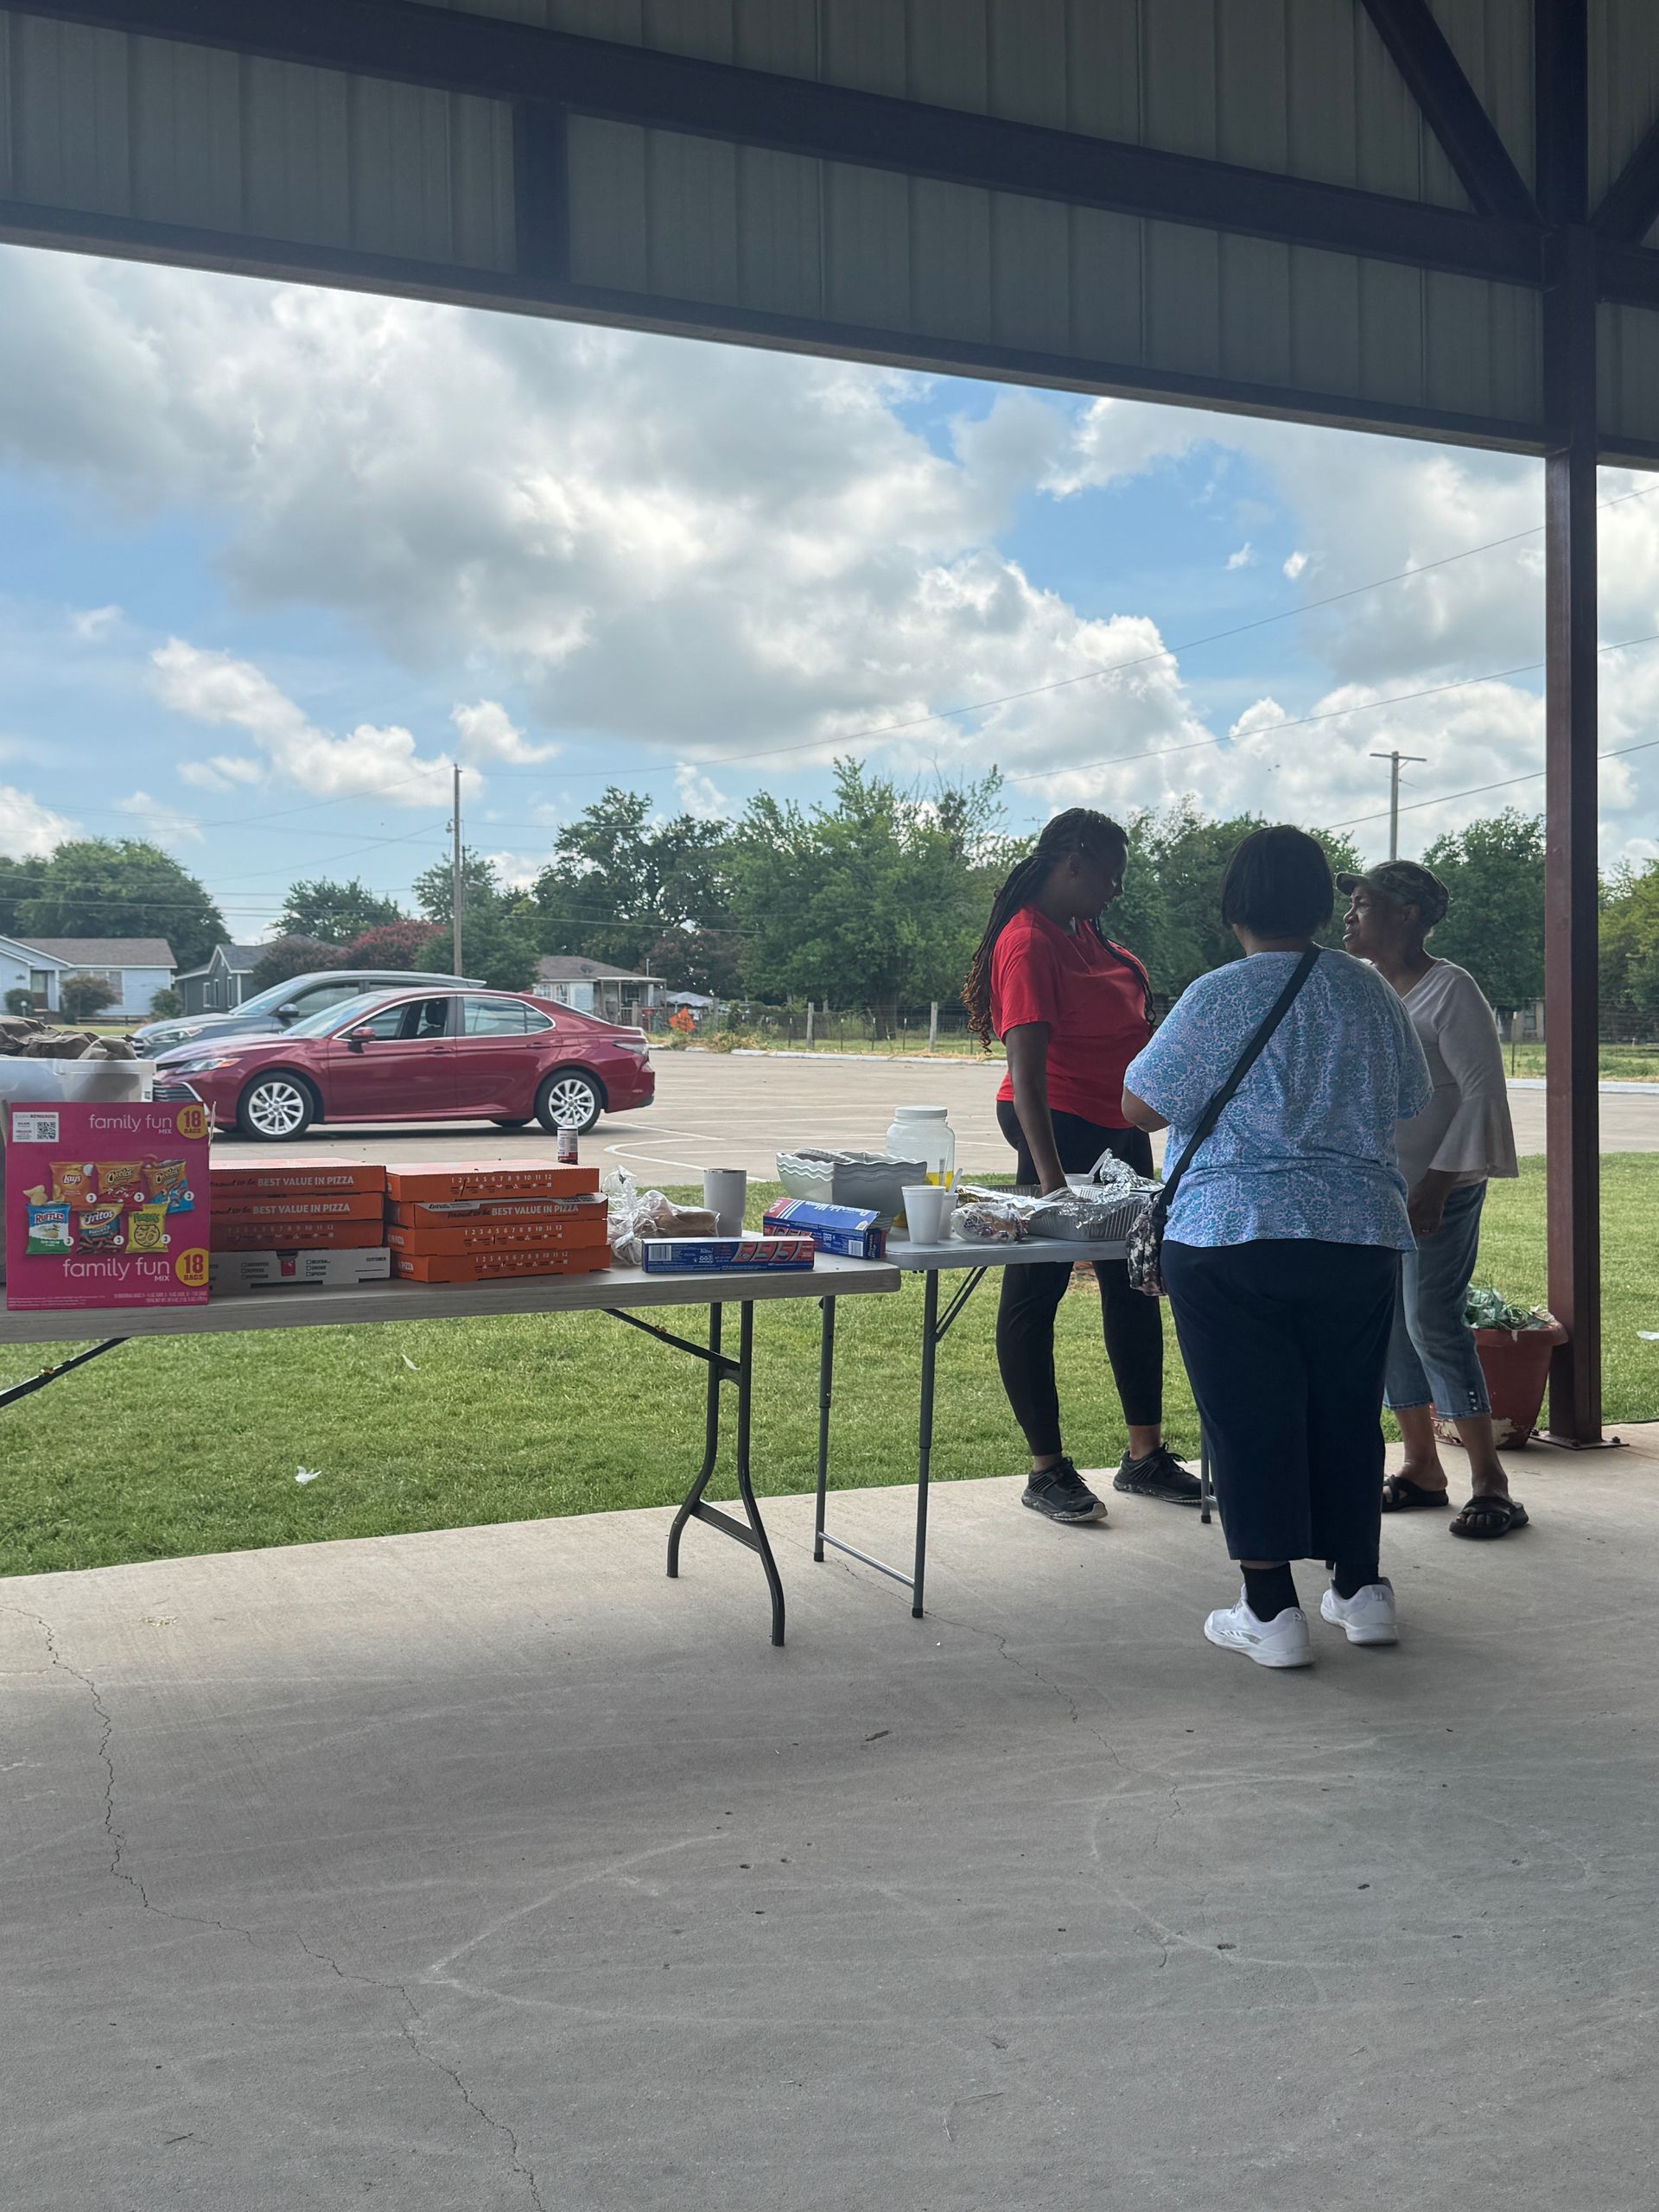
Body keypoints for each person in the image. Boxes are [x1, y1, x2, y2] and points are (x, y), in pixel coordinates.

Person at [1122, 826, 1432, 1669]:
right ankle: (1362, 1592)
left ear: (1234, 908)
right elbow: (1409, 1097)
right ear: (1323, 906)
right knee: (1345, 1409)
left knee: (1248, 1417)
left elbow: (1139, 1108)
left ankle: (1271, 1611)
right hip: (1356, 1233)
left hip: (1231, 1234)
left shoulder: (1216, 995)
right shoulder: (1370, 995)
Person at [963, 807, 1199, 1524]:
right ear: (1072, 864)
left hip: (1116, 1124)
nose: (1116, 891)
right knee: (1036, 1290)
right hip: (1054, 1126)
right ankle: (1046, 1469)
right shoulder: (1029, 942)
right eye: (1110, 875)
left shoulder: (1084, 930)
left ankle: (1144, 1456)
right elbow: (1026, 1079)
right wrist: (1051, 1186)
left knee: (1138, 1282)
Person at [1338, 861, 1524, 1538]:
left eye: (1364, 904)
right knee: (1388, 1328)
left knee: (1432, 1322)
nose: (1351, 917)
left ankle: (1492, 1483)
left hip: (1439, 1190)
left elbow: (1481, 1093)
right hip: (1378, 1190)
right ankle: (1421, 1468)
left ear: (1408, 916)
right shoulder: (1366, 988)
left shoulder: (1452, 991)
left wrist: (1439, 1183)